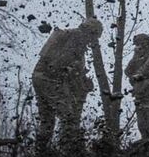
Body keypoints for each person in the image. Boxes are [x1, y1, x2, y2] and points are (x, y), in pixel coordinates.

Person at [32, 18, 102, 154]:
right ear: (90, 31)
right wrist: (76, 75)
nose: (92, 40)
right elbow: (63, 63)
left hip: (39, 77)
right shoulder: (78, 37)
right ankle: (68, 151)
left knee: (47, 120)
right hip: (50, 79)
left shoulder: (69, 34)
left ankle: (41, 151)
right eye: (94, 36)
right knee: (69, 117)